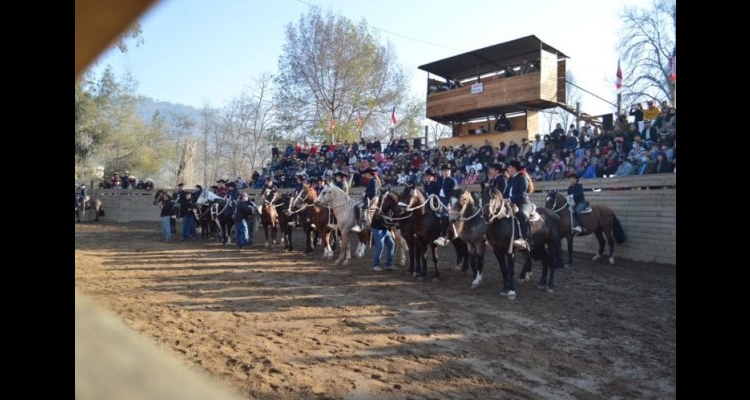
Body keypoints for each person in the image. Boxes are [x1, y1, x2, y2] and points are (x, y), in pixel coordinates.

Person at [504, 160, 533, 250]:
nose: (508, 169)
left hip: (523, 203)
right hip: (511, 203)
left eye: (509, 167)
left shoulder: (522, 178)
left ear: (514, 168)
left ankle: (525, 239)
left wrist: (510, 199)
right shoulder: (511, 179)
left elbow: (522, 194)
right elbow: (507, 193)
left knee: (521, 213)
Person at [433, 164, 456, 247]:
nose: (446, 172)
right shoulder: (439, 180)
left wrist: (449, 203)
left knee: (444, 214)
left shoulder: (452, 181)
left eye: (447, 170)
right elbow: (436, 190)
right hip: (438, 200)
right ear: (442, 172)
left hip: (447, 201)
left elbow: (453, 194)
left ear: (450, 171)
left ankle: (443, 236)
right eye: (444, 171)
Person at [352, 168, 380, 233]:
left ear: (369, 174)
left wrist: (365, 194)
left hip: (370, 200)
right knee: (354, 204)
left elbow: (374, 193)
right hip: (367, 199)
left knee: (357, 207)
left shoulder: (374, 181)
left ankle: (359, 225)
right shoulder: (371, 181)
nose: (365, 175)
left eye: (366, 174)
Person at [369, 206, 396, 272]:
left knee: (391, 244)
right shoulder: (381, 208)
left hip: (384, 229)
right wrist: (395, 223)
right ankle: (376, 266)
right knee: (380, 246)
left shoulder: (391, 209)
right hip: (377, 229)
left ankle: (389, 265)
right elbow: (386, 222)